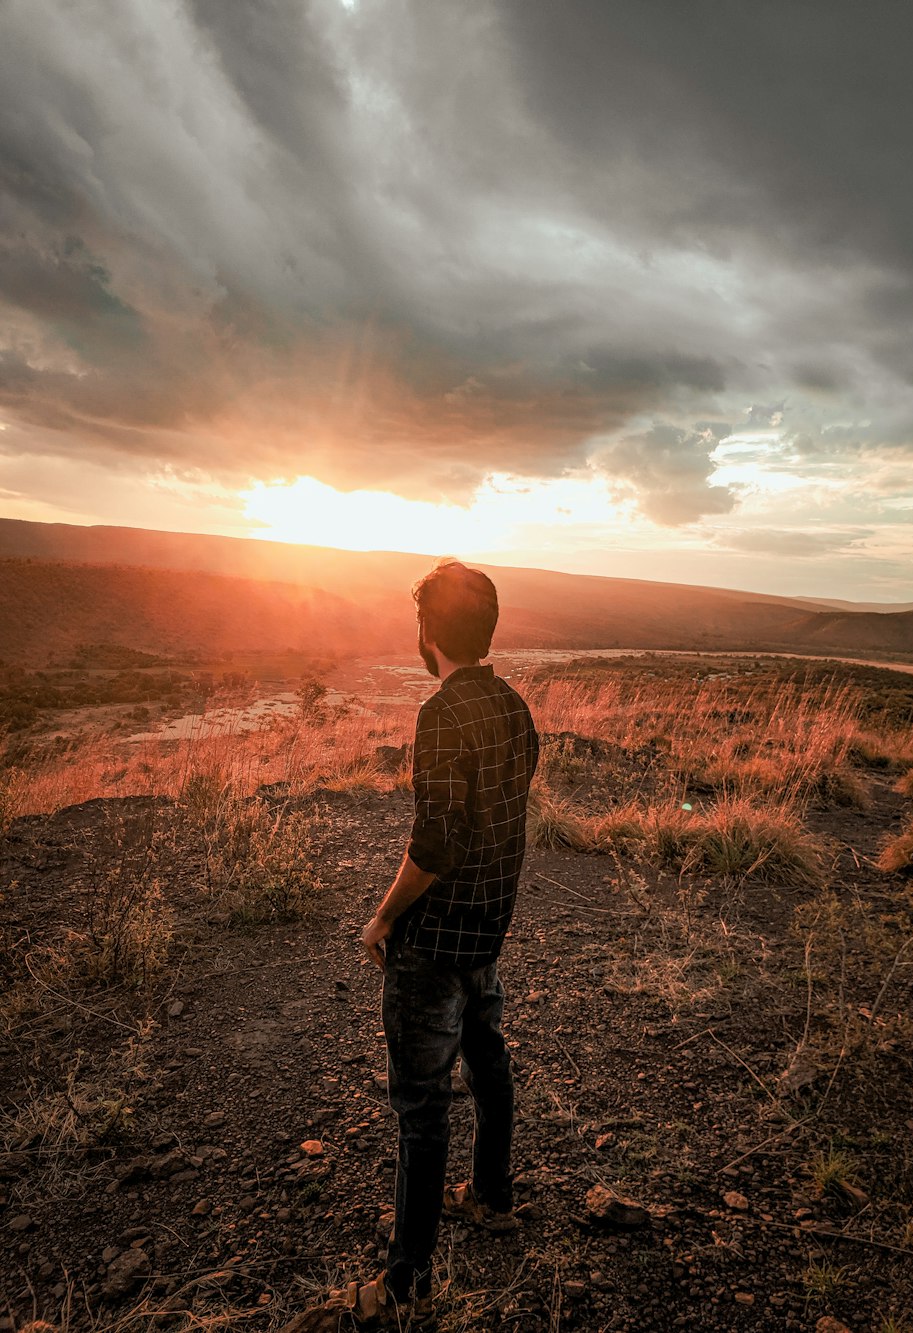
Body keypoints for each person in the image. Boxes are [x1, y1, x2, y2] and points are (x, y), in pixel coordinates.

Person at [283, 560, 538, 1331]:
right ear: (488, 628)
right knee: (488, 1060)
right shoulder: (515, 707)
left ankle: (405, 1286)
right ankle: (490, 1195)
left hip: (433, 944)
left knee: (422, 1108)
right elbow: (494, 823)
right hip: (487, 929)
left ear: (426, 632)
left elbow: (434, 842)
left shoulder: (440, 714)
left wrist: (382, 918)